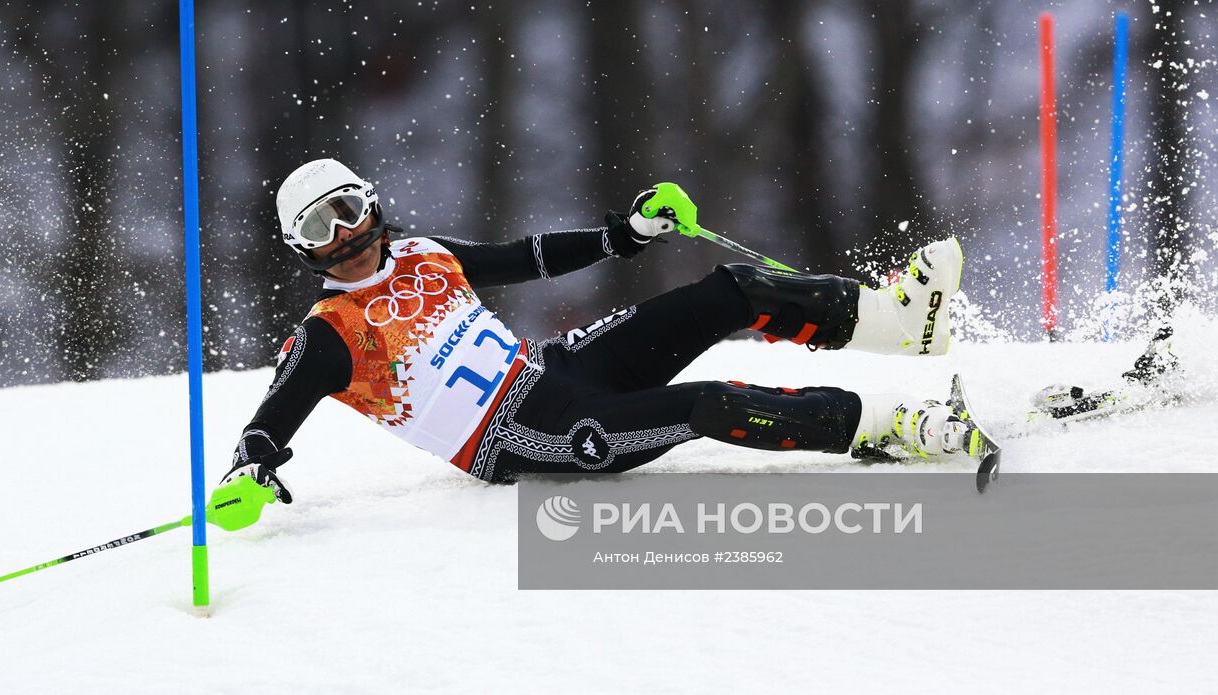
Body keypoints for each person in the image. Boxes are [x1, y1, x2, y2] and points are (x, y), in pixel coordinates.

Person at [218, 158, 979, 507]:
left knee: (727, 292)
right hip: (519, 438)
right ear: (302, 247)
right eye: (320, 226)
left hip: (556, 371)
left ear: (374, 204)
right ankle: (891, 428)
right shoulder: (330, 332)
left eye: (349, 207)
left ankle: (902, 322)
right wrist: (251, 469)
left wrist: (627, 233)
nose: (345, 232)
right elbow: (269, 421)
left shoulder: (423, 254)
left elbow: (526, 257)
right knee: (703, 403)